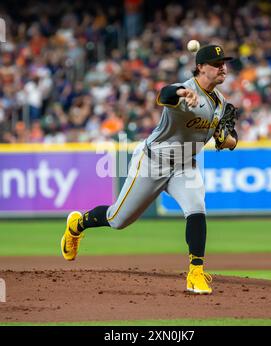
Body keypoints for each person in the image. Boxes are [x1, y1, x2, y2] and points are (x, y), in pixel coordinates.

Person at [61, 44, 238, 294]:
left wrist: (228, 140)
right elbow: (165, 94)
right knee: (117, 219)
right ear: (200, 67)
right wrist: (180, 92)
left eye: (224, 63)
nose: (223, 67)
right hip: (152, 163)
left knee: (197, 208)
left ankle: (196, 273)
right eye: (216, 64)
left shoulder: (220, 103)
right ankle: (77, 224)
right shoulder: (186, 91)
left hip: (185, 167)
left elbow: (228, 139)